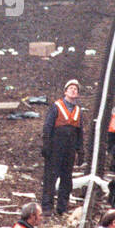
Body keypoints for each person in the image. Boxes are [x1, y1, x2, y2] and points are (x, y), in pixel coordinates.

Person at [41, 79, 84, 217]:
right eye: (71, 88)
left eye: (75, 89)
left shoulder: (78, 111)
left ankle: (62, 207)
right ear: (65, 91)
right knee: (50, 177)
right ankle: (47, 206)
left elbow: (80, 132)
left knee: (66, 178)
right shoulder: (56, 107)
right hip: (55, 147)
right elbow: (48, 126)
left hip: (69, 149)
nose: (73, 90)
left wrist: (80, 149)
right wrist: (46, 144)